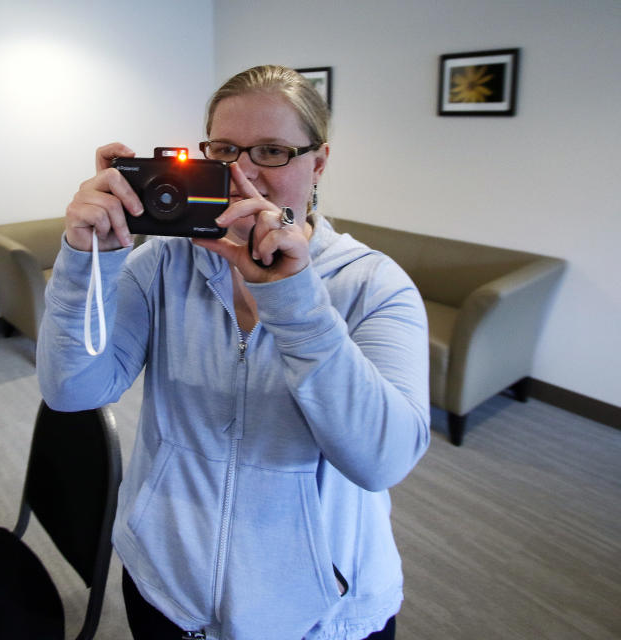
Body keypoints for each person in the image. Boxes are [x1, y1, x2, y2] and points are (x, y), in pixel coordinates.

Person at [37, 65, 430, 639]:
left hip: (319, 614)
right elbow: (71, 390)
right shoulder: (163, 266)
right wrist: (86, 257)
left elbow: (382, 460)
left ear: (318, 163)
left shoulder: (373, 286)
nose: (244, 172)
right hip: (168, 590)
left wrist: (292, 300)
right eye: (225, 150)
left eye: (272, 151)